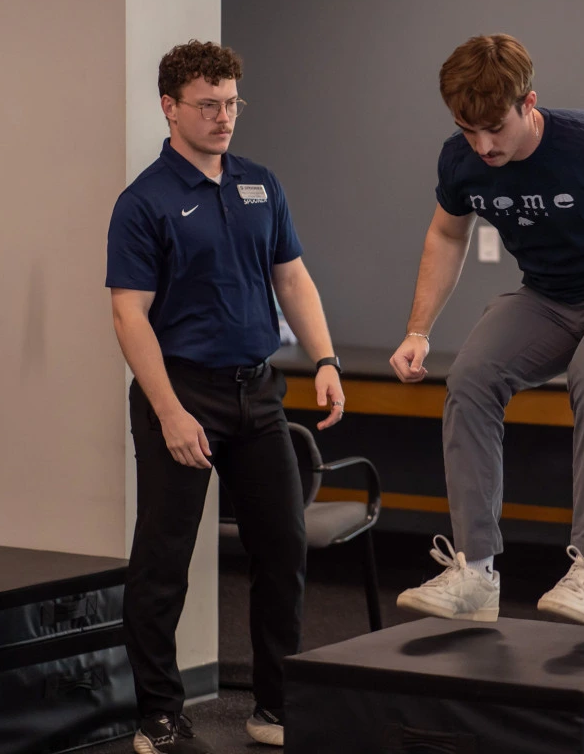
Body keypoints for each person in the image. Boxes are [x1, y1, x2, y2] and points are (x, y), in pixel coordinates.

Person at [391, 33, 584, 626]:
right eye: (468, 131)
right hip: (549, 296)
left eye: (495, 131)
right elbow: (446, 234)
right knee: (470, 379)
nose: (483, 147)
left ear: (528, 103)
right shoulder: (460, 159)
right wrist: (418, 331)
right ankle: (475, 572)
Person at [107, 40, 345, 753]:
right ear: (169, 108)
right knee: (164, 560)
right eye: (208, 105)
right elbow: (128, 314)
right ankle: (158, 717)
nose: (223, 117)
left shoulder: (258, 184)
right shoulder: (144, 201)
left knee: (284, 546)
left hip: (257, 393)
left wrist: (325, 357)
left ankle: (274, 708)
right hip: (181, 393)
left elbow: (293, 280)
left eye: (232, 103)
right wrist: (170, 411)